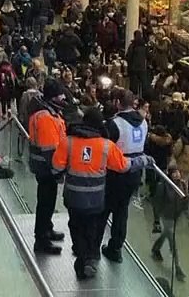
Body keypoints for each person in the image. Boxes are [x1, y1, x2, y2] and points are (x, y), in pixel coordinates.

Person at [52, 106, 129, 280]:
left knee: (75, 225)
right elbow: (123, 166)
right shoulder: (107, 145)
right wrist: (143, 160)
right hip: (95, 199)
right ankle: (89, 258)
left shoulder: (68, 141)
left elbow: (56, 167)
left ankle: (81, 255)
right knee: (92, 227)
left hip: (73, 197)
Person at [102, 87, 148, 262]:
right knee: (122, 211)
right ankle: (116, 248)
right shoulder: (144, 122)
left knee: (103, 209)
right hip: (135, 172)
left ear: (117, 103)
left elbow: (104, 147)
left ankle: (92, 248)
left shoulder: (114, 124)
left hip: (115, 172)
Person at [27, 80, 68, 255]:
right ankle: (41, 239)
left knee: (48, 201)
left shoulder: (49, 112)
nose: (64, 98)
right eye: (60, 95)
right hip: (46, 168)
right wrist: (58, 170)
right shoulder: (45, 117)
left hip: (45, 167)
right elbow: (50, 149)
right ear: (53, 97)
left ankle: (47, 228)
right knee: (45, 203)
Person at [150, 166, 188, 282]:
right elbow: (156, 203)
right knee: (172, 241)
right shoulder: (163, 186)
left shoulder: (182, 184)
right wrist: (156, 220)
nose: (177, 175)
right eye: (174, 173)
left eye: (178, 172)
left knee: (166, 234)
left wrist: (187, 215)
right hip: (166, 216)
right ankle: (177, 267)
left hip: (175, 216)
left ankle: (156, 248)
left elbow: (185, 200)